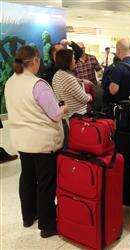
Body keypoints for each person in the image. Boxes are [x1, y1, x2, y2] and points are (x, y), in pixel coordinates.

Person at [5, 45, 68, 238]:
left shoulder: (10, 82)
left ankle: (28, 216)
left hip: (22, 140)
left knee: (27, 178)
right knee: (46, 183)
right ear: (34, 61)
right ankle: (47, 226)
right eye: (39, 61)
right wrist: (64, 108)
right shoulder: (37, 84)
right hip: (42, 142)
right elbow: (55, 115)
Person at [52, 49, 92, 120]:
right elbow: (85, 99)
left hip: (66, 116)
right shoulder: (68, 78)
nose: (75, 61)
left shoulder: (57, 75)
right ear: (67, 61)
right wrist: (90, 96)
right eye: (73, 58)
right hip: (77, 117)